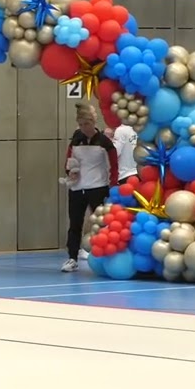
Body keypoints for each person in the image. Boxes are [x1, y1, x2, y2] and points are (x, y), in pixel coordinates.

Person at [62, 103, 118, 272]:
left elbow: (113, 167)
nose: (83, 128)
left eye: (86, 124)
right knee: (75, 224)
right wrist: (70, 171)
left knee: (102, 224)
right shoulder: (76, 138)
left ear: (93, 122)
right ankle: (72, 258)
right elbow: (69, 160)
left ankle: (107, 257)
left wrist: (112, 188)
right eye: (80, 124)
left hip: (98, 188)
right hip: (77, 188)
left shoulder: (104, 142)